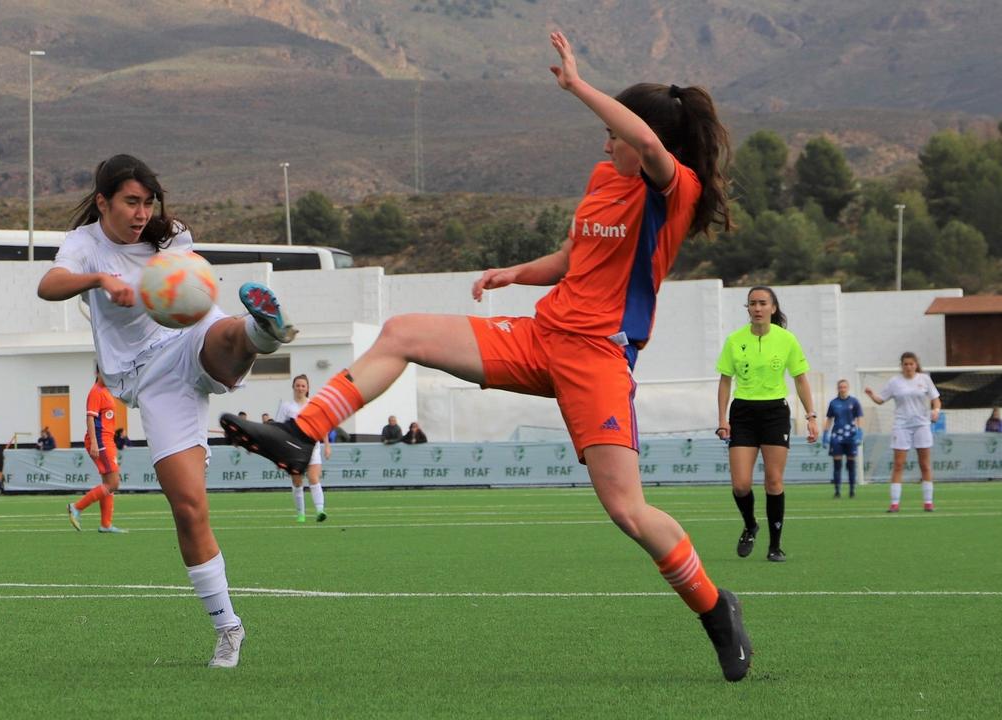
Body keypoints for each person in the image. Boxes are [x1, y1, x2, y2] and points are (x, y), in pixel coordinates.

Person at [221, 32, 751, 682]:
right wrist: (515, 273)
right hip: (541, 337)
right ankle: (302, 434)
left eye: (610, 133)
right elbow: (575, 258)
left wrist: (578, 86)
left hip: (599, 361)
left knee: (627, 512)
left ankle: (715, 609)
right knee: (404, 331)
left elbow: (643, 142)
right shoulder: (602, 180)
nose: (603, 144)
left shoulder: (675, 189)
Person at [37, 153, 297, 668]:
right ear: (103, 202)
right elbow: (49, 285)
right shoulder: (85, 245)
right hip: (147, 379)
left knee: (222, 331)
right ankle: (228, 628)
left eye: (148, 202)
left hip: (190, 333)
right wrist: (99, 281)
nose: (142, 213)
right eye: (131, 202)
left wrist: (182, 287)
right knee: (188, 507)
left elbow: (192, 287)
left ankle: (261, 331)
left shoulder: (170, 235)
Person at [716, 286, 818, 564]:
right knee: (741, 485)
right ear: (748, 308)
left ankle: (775, 546)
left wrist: (811, 416)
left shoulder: (787, 339)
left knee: (773, 481)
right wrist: (722, 419)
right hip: (743, 412)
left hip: (775, 412)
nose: (757, 308)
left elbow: (800, 379)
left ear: (773, 308)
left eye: (762, 303)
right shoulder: (734, 340)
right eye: (752, 303)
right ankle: (750, 525)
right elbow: (725, 381)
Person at [864, 352, 941, 513]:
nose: (908, 367)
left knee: (925, 464)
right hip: (902, 426)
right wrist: (872, 395)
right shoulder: (895, 382)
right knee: (898, 464)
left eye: (911, 364)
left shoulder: (924, 379)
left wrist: (936, 410)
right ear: (902, 366)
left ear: (916, 365)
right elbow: (881, 399)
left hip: (921, 424)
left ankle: (928, 502)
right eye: (905, 364)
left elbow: (936, 399)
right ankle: (894, 503)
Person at [68, 368, 127, 534]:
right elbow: (90, 418)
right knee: (113, 483)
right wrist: (94, 442)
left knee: (108, 483)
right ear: (98, 374)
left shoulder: (106, 391)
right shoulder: (96, 392)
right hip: (101, 442)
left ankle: (105, 524)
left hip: (107, 441)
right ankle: (76, 507)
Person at [274, 374, 330, 522]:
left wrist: (327, 445)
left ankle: (320, 511)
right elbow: (278, 429)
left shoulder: (314, 405)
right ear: (293, 387)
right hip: (294, 449)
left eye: (303, 386)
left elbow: (322, 426)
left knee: (313, 478)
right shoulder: (286, 407)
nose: (300, 388)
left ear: (307, 388)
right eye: (298, 385)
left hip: (312, 448)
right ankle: (301, 514)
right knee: (297, 481)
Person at [823, 379, 864, 498]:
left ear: (848, 388)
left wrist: (860, 432)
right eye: (840, 387)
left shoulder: (854, 402)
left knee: (851, 464)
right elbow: (829, 419)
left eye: (844, 387)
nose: (842, 389)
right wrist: (825, 433)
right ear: (838, 388)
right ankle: (837, 491)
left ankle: (852, 490)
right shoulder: (833, 403)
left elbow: (860, 417)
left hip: (851, 436)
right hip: (837, 436)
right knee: (837, 464)